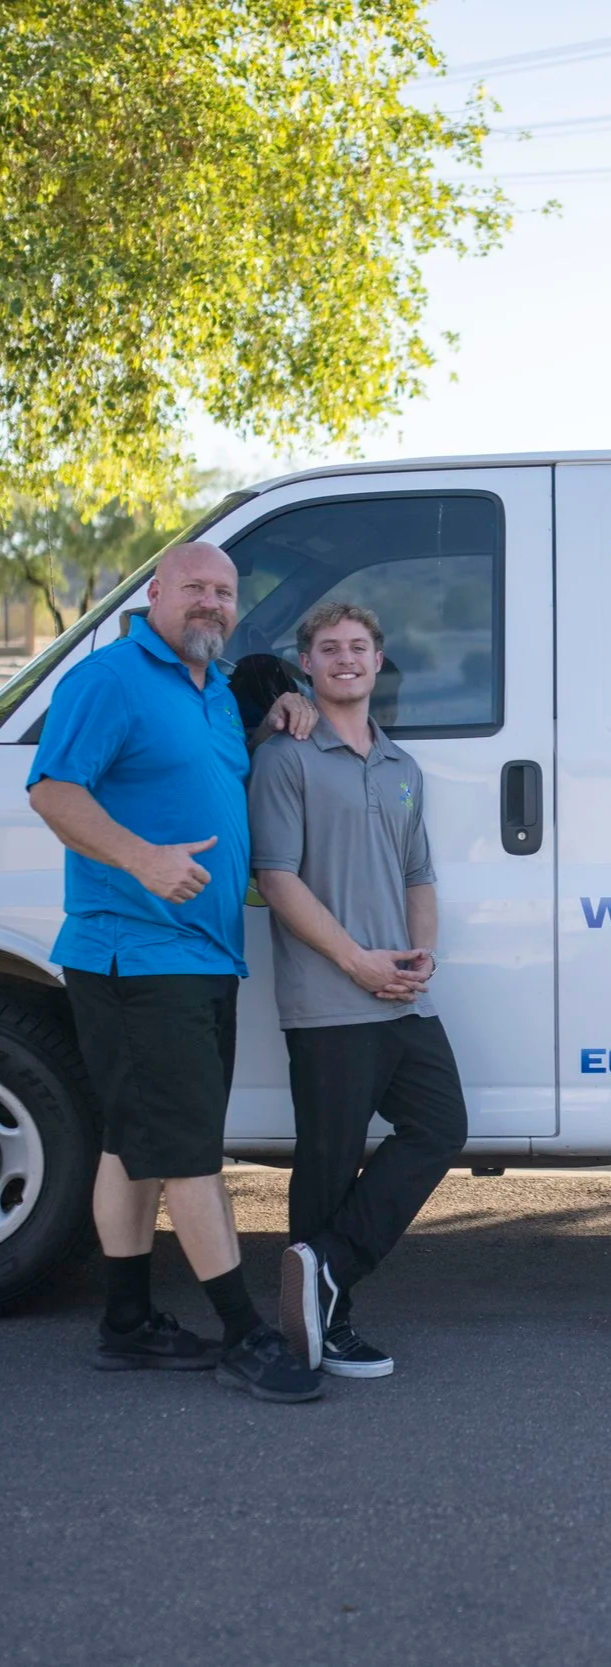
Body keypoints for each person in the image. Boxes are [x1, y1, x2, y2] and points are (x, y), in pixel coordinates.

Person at [27, 541, 324, 1403]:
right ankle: (243, 1331)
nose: (211, 601)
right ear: (153, 592)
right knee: (189, 1148)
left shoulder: (211, 692)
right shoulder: (112, 677)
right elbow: (53, 791)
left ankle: (126, 1324)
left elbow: (232, 745)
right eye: (193, 586)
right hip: (135, 953)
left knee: (134, 1141)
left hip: (198, 953)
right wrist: (144, 860)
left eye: (224, 592)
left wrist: (288, 707)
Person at [248, 601, 467, 1379]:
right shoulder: (286, 757)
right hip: (328, 994)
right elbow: (276, 878)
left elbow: (419, 874)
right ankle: (321, 1330)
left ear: (379, 662)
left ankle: (329, 1265)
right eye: (329, 648)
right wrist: (355, 961)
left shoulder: (402, 769)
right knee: (329, 1160)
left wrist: (418, 956)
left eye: (360, 647)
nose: (346, 658)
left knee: (441, 1125)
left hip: (401, 994)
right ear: (306, 664)